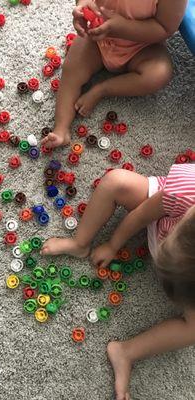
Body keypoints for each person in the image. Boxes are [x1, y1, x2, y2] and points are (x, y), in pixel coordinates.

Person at [41, 163, 195, 400]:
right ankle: (79, 243)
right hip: (162, 212)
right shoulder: (186, 191)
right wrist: (113, 244)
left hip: (184, 262)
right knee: (116, 181)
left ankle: (126, 352)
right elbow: (143, 214)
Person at [42, 0, 187, 149]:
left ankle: (104, 89)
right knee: (72, 70)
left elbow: (165, 27)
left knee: (159, 73)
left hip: (142, 46)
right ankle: (61, 129)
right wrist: (82, 8)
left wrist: (121, 27)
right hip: (98, 38)